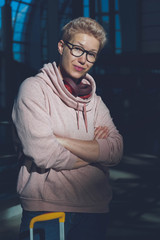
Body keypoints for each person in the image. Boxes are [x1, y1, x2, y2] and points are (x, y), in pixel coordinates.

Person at [12, 17, 123, 240]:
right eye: (77, 49)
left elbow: (116, 150)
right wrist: (95, 151)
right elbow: (44, 153)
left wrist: (61, 140)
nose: (83, 59)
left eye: (91, 53)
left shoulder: (95, 101)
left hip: (95, 209)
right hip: (47, 208)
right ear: (62, 46)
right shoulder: (34, 90)